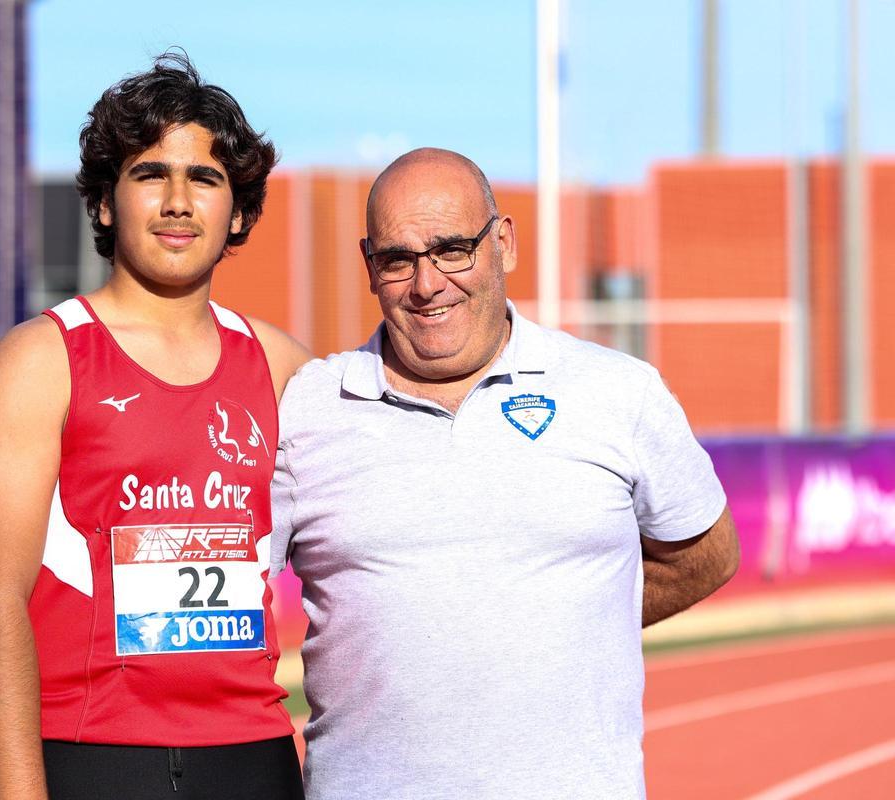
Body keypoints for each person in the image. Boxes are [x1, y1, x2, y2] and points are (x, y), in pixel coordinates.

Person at [269, 148, 739, 800]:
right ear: (369, 266)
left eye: (453, 249)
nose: (427, 284)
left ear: (504, 243)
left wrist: (557, 622)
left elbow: (708, 555)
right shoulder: (308, 409)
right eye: (397, 259)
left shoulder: (620, 392)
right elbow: (231, 602)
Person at [0, 53, 310, 800]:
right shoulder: (41, 360)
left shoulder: (283, 367)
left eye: (205, 179)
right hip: (88, 756)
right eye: (151, 174)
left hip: (250, 758)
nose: (178, 201)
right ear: (105, 204)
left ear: (239, 211)